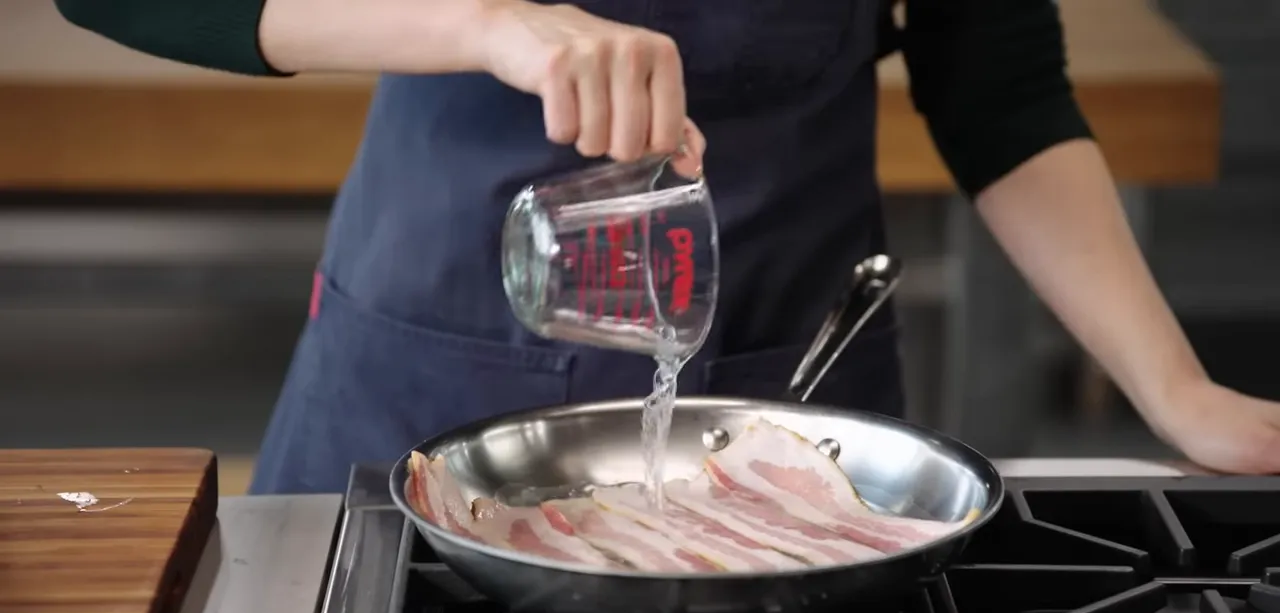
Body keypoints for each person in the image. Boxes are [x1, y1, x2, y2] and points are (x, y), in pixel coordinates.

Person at [57, 0, 1280, 492]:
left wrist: (1175, 393)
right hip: (429, 369)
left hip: (784, 391)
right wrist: (485, 21)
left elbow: (997, 90)